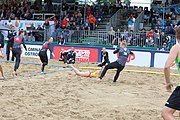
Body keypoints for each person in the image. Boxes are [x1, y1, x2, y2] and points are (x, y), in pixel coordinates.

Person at [161, 26, 180, 120]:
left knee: (166, 113)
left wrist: (168, 82)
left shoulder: (177, 48)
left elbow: (166, 66)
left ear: (177, 36)